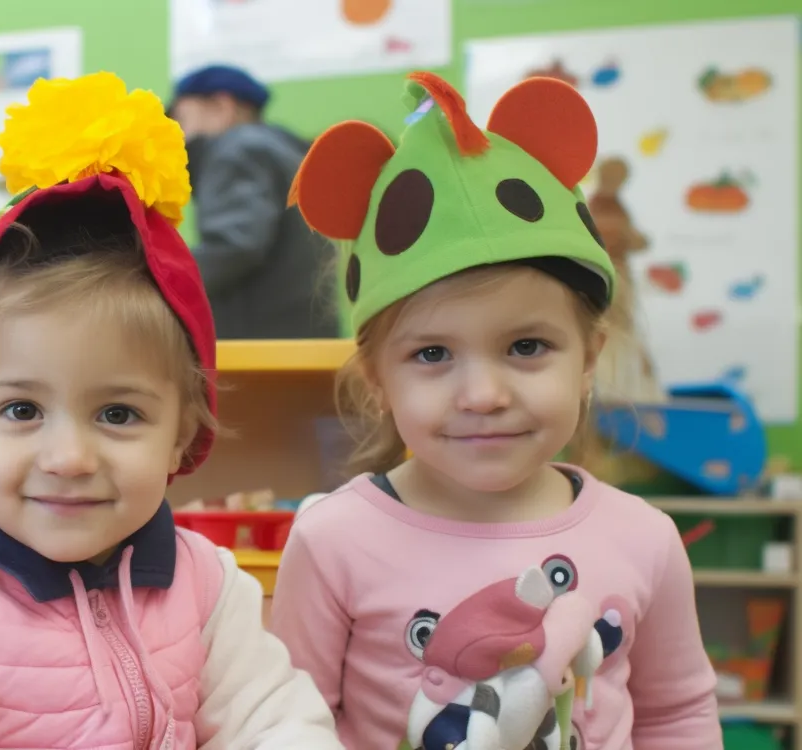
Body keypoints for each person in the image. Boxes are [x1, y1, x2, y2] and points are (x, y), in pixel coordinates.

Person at [0, 71, 343, 749]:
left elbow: (275, 724)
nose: (69, 459)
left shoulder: (209, 583)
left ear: (181, 436)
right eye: (20, 410)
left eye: (119, 414)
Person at [271, 71, 720, 749]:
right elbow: (292, 726)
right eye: (432, 355)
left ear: (589, 356)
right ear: (377, 379)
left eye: (527, 346)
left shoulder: (647, 539)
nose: (483, 394)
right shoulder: (332, 542)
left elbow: (678, 716)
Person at [168, 64, 337, 340]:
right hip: (300, 340)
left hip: (258, 346)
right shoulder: (284, 152)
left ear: (222, 107)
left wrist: (159, 277)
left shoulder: (237, 150)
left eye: (181, 120)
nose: (178, 136)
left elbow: (235, 245)